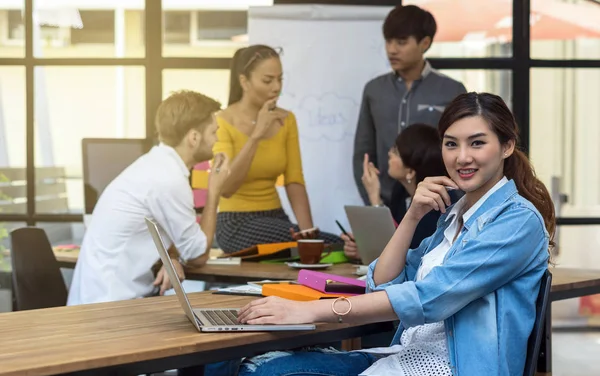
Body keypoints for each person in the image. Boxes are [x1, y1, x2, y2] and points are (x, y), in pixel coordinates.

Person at [232, 92, 556, 376]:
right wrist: (413, 215)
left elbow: (429, 298)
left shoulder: (517, 222)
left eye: (477, 143)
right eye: (451, 144)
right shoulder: (455, 214)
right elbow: (384, 284)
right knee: (262, 373)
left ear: (507, 146)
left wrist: (307, 310)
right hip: (404, 357)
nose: (462, 157)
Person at [68, 90, 228, 306]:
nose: (217, 140)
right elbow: (198, 255)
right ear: (194, 137)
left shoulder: (155, 166)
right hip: (108, 308)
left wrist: (172, 257)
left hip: (103, 299)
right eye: (213, 132)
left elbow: (168, 231)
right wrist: (215, 190)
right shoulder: (168, 179)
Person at [214, 44, 342, 254]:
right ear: (244, 81)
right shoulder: (221, 121)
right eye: (267, 80)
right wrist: (256, 136)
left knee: (332, 245)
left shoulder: (286, 119)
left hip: (275, 217)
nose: (276, 87)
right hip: (235, 223)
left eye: (280, 79)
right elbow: (226, 187)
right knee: (332, 244)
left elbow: (294, 180)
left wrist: (308, 234)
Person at [353, 4, 467, 207]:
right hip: (386, 202)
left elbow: (461, 150)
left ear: (425, 43)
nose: (391, 49)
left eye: (401, 42)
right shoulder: (374, 90)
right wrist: (374, 203)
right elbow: (363, 153)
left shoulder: (452, 90)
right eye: (388, 41)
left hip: (439, 203)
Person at [343, 123, 452, 262]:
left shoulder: (435, 206)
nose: (389, 153)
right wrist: (362, 248)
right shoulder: (400, 192)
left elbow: (406, 256)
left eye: (395, 152)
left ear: (410, 172)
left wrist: (374, 197)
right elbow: (388, 241)